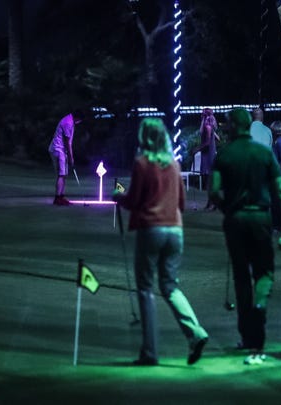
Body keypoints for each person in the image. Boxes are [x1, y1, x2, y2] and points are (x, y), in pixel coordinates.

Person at [113, 117, 208, 366]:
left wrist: (119, 197)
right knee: (170, 286)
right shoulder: (175, 164)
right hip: (175, 229)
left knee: (145, 289)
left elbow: (133, 200)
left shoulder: (142, 163)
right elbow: (183, 203)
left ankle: (150, 352)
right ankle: (195, 333)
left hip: (151, 228)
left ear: (145, 138)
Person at [209, 108, 281, 365]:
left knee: (241, 277)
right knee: (264, 273)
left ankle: (247, 335)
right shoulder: (264, 153)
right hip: (261, 218)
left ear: (233, 127)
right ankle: (261, 307)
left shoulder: (225, 155)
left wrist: (227, 210)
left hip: (236, 220)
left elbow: (213, 192)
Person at [48, 110, 85, 205]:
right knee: (61, 174)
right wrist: (71, 157)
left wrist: (68, 156)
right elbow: (68, 143)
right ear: (78, 118)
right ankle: (57, 198)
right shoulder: (68, 123)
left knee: (64, 174)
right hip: (58, 149)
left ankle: (61, 196)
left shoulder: (70, 120)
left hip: (61, 150)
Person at [192, 108, 220, 210]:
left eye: (202, 114)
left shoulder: (207, 126)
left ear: (204, 116)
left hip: (207, 155)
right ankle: (211, 203)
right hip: (209, 154)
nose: (200, 116)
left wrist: (197, 149)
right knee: (209, 180)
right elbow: (218, 139)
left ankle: (213, 203)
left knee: (208, 180)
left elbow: (207, 142)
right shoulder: (210, 127)